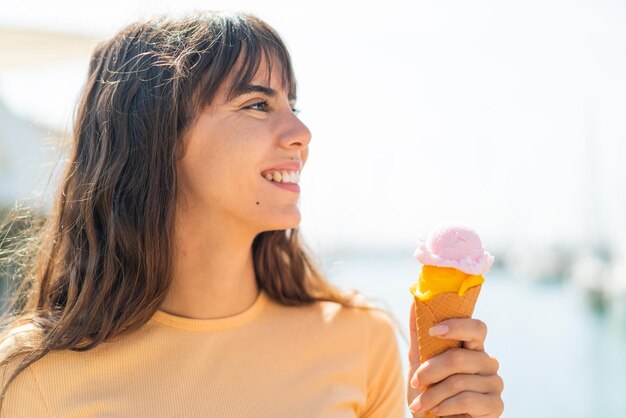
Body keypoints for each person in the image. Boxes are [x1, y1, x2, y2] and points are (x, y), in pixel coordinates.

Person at [0, 11, 503, 417]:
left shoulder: (359, 338)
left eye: (292, 104)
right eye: (257, 105)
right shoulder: (32, 377)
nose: (300, 134)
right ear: (155, 138)